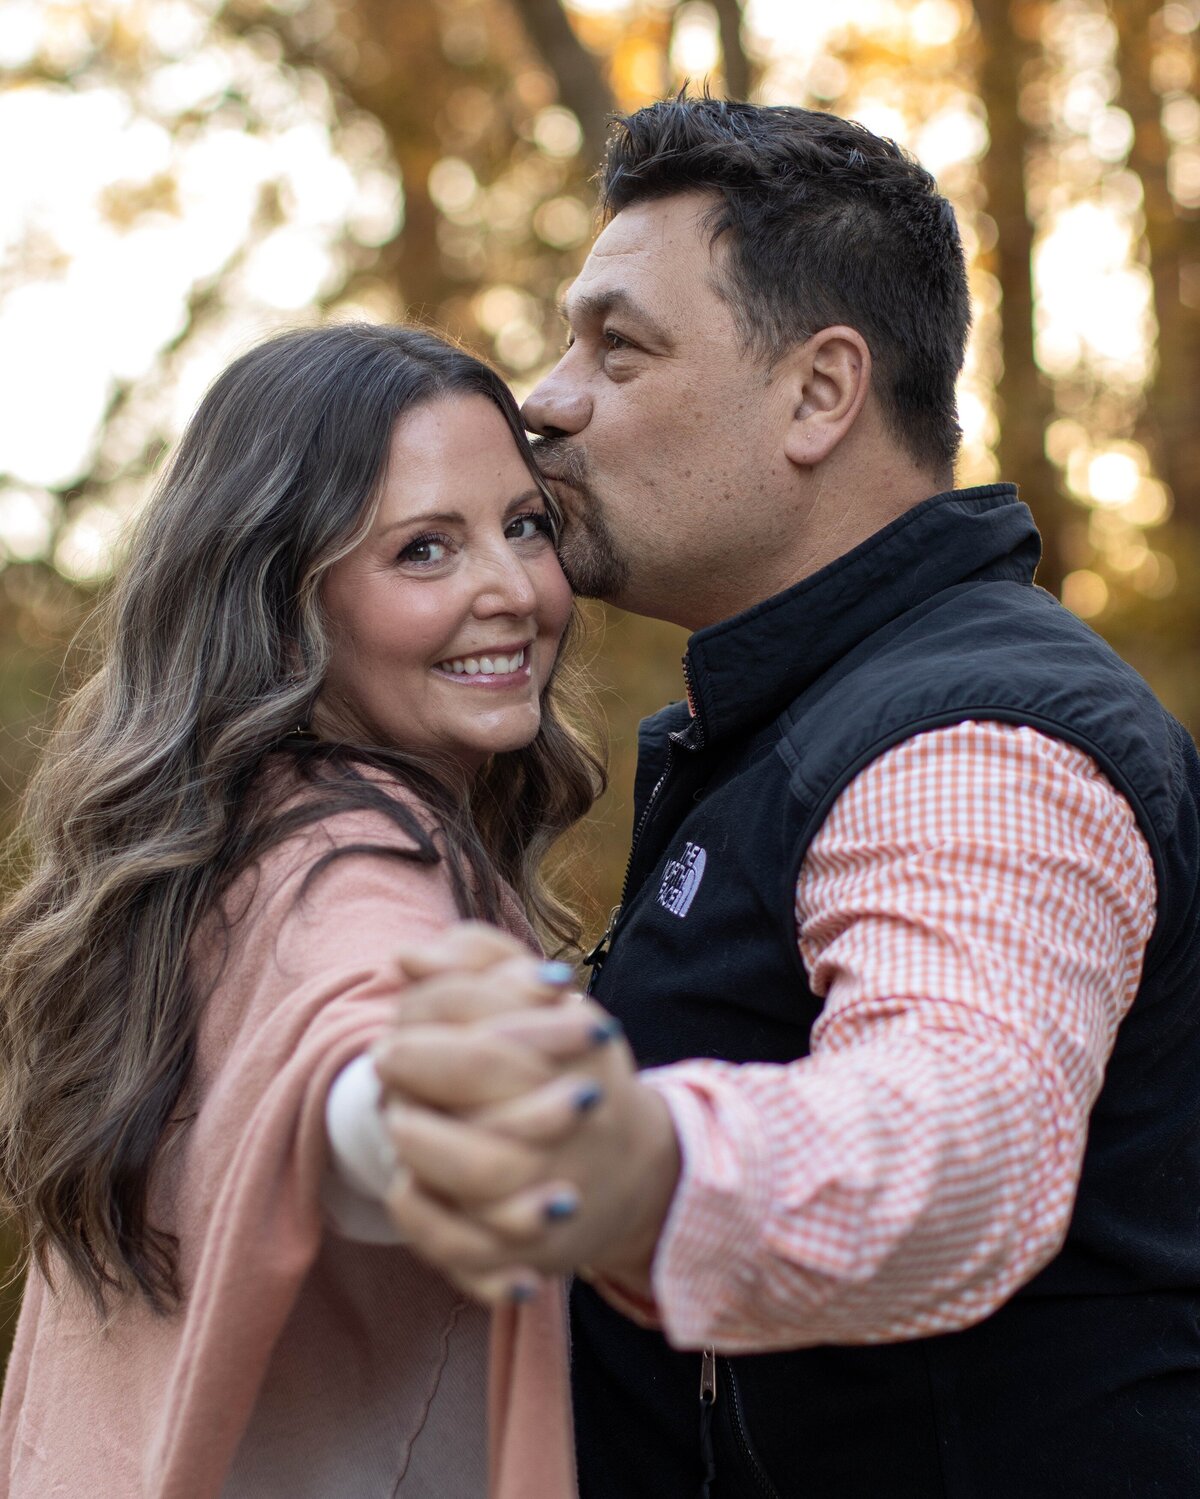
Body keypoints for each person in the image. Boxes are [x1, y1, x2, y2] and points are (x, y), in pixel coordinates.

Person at [368, 97, 1200, 1497]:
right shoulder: (789, 718)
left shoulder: (974, 740)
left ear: (820, 392)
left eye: (616, 346)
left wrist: (635, 1161)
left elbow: (959, 1133)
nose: (548, 397)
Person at [0, 322, 608, 1497]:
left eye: (523, 525)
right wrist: (440, 1113)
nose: (512, 591)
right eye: (424, 549)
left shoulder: (202, 851)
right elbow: (358, 1045)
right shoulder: (355, 855)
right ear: (285, 605)